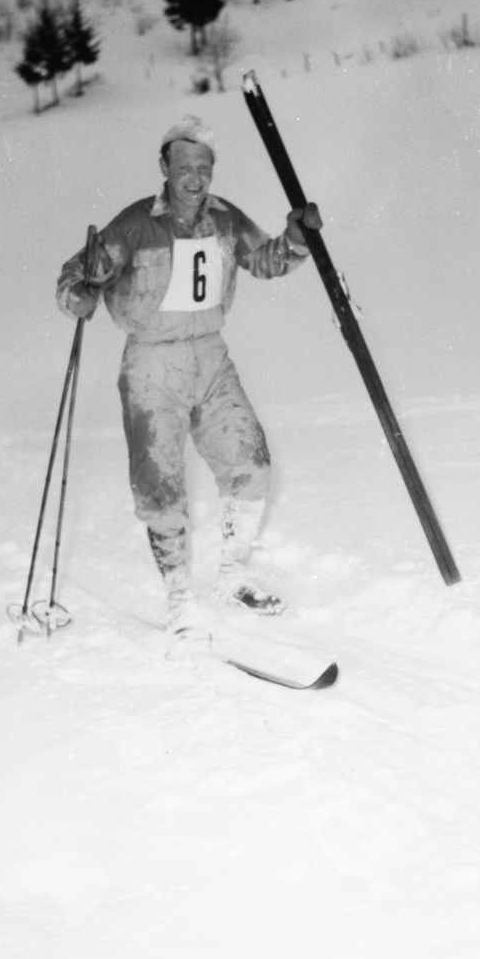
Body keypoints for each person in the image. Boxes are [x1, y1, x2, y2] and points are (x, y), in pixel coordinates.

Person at [56, 115, 322, 640]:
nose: (195, 179)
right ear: (164, 167)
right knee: (161, 486)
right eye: (184, 167)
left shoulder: (225, 221)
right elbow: (75, 277)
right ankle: (179, 598)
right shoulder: (135, 224)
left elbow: (264, 260)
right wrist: (78, 294)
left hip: (210, 358)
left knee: (251, 464)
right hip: (152, 365)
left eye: (204, 168)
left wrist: (295, 239)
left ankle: (234, 577)